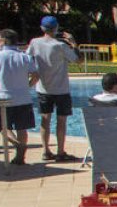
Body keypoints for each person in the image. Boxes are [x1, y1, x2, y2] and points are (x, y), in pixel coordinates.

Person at [27, 15, 79, 162]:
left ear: (42, 28)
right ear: (56, 28)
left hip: (43, 88)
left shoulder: (34, 42)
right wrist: (73, 43)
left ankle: (46, 151)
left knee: (45, 120)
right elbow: (77, 59)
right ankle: (60, 151)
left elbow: (27, 58)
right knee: (61, 121)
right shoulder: (60, 45)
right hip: (61, 89)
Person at [0, 29, 39, 165]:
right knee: (22, 128)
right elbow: (36, 75)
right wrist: (28, 85)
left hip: (4, 97)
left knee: (2, 127)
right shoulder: (24, 56)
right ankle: (20, 156)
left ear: (2, 41)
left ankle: (17, 145)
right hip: (23, 97)